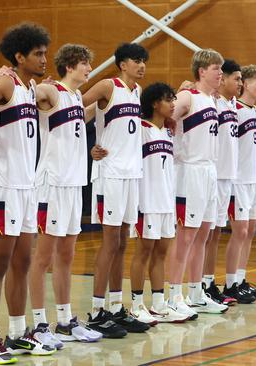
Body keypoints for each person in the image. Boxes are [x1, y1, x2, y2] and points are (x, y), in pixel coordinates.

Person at [0, 23, 59, 361]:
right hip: (3, 185)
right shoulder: (7, 82)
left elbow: (48, 99)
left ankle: (17, 331)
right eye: (38, 53)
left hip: (25, 185)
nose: (44, 58)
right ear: (19, 55)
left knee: (23, 262)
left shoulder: (29, 86)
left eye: (44, 52)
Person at [27, 44, 108, 341]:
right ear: (71, 65)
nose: (89, 68)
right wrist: (31, 86)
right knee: (43, 257)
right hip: (51, 184)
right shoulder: (53, 91)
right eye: (85, 63)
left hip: (74, 184)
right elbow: (33, 96)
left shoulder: (74, 97)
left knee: (67, 255)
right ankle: (38, 324)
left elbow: (80, 119)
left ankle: (64, 320)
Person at [94, 82, 190, 324]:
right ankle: (136, 304)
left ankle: (158, 304)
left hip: (166, 201)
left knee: (162, 252)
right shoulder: (139, 129)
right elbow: (110, 132)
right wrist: (96, 149)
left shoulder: (168, 131)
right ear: (155, 103)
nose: (173, 104)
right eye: (168, 99)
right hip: (146, 201)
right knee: (144, 252)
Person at [81, 43, 151, 332]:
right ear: (122, 64)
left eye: (144, 60)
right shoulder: (108, 86)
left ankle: (114, 306)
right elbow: (75, 106)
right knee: (110, 242)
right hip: (109, 173)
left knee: (122, 243)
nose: (142, 65)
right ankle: (97, 311)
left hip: (131, 173)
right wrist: (87, 146)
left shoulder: (138, 91)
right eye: (137, 60)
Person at [167, 49, 228, 318]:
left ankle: (195, 293)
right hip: (188, 171)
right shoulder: (187, 96)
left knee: (203, 234)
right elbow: (163, 115)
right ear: (201, 71)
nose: (220, 73)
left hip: (209, 171)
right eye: (216, 68)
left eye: (222, 69)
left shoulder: (211, 100)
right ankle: (172, 296)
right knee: (186, 236)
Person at [221, 64, 256, 304]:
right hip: (238, 180)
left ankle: (240, 280)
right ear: (245, 85)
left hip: (254, 178)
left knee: (250, 231)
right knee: (239, 231)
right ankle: (229, 284)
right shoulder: (235, 109)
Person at [201, 59, 242, 306]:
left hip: (227, 175)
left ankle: (209, 282)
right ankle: (201, 285)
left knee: (216, 233)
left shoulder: (233, 104)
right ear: (222, 79)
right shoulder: (213, 101)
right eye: (235, 78)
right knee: (206, 234)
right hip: (212, 173)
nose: (239, 83)